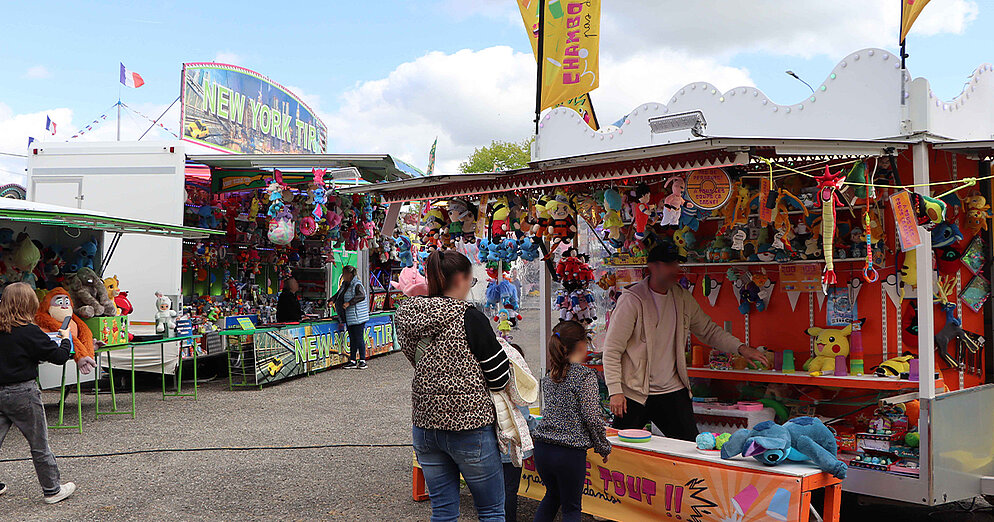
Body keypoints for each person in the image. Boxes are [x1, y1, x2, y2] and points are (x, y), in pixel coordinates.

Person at [603, 242, 769, 441]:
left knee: (690, 446)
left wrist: (741, 348)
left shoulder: (681, 297)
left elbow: (708, 330)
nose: (676, 270)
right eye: (670, 264)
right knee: (621, 450)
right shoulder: (632, 300)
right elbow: (612, 350)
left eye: (677, 264)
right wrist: (615, 391)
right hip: (634, 393)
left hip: (673, 390)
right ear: (652, 267)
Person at [395, 250, 510, 522]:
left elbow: (417, 359)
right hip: (470, 427)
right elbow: (499, 376)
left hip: (425, 426)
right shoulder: (471, 317)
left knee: (444, 512)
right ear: (460, 278)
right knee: (491, 512)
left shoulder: (409, 315)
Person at [0, 282, 80, 504]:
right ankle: (52, 489)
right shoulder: (29, 331)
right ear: (29, 304)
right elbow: (58, 357)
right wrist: (65, 339)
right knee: (39, 444)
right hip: (23, 392)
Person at [532, 320, 610, 522]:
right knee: (572, 508)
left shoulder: (550, 376)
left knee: (552, 496)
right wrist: (603, 446)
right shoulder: (585, 376)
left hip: (542, 449)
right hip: (568, 452)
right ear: (583, 345)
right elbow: (592, 417)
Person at [500, 343, 537, 522]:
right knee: (509, 489)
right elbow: (524, 419)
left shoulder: (489, 381)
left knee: (495, 489)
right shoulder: (516, 386)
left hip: (493, 446)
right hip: (511, 448)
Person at [333, 266, 369, 370]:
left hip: (358, 316)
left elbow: (361, 296)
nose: (343, 276)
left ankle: (362, 360)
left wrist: (349, 303)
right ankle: (352, 360)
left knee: (359, 338)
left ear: (350, 274)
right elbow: (338, 294)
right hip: (350, 316)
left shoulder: (357, 284)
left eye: (344, 274)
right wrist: (332, 300)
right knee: (352, 338)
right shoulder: (345, 285)